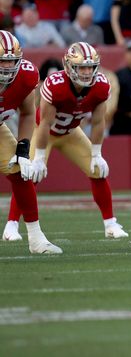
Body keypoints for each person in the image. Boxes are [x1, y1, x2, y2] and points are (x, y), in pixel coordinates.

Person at [6, 42, 127, 239]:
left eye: (90, 67)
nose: (87, 72)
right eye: (82, 67)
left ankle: (110, 224)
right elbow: (44, 123)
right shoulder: (55, 85)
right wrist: (40, 157)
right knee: (27, 174)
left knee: (97, 170)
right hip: (44, 132)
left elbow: (98, 122)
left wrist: (97, 153)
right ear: (69, 66)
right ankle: (11, 225)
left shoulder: (101, 85)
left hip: (71, 132)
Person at [0, 31, 61, 253]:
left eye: (10, 62)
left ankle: (36, 239)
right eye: (2, 62)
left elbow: (27, 113)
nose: (7, 68)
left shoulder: (25, 75)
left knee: (20, 173)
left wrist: (23, 149)